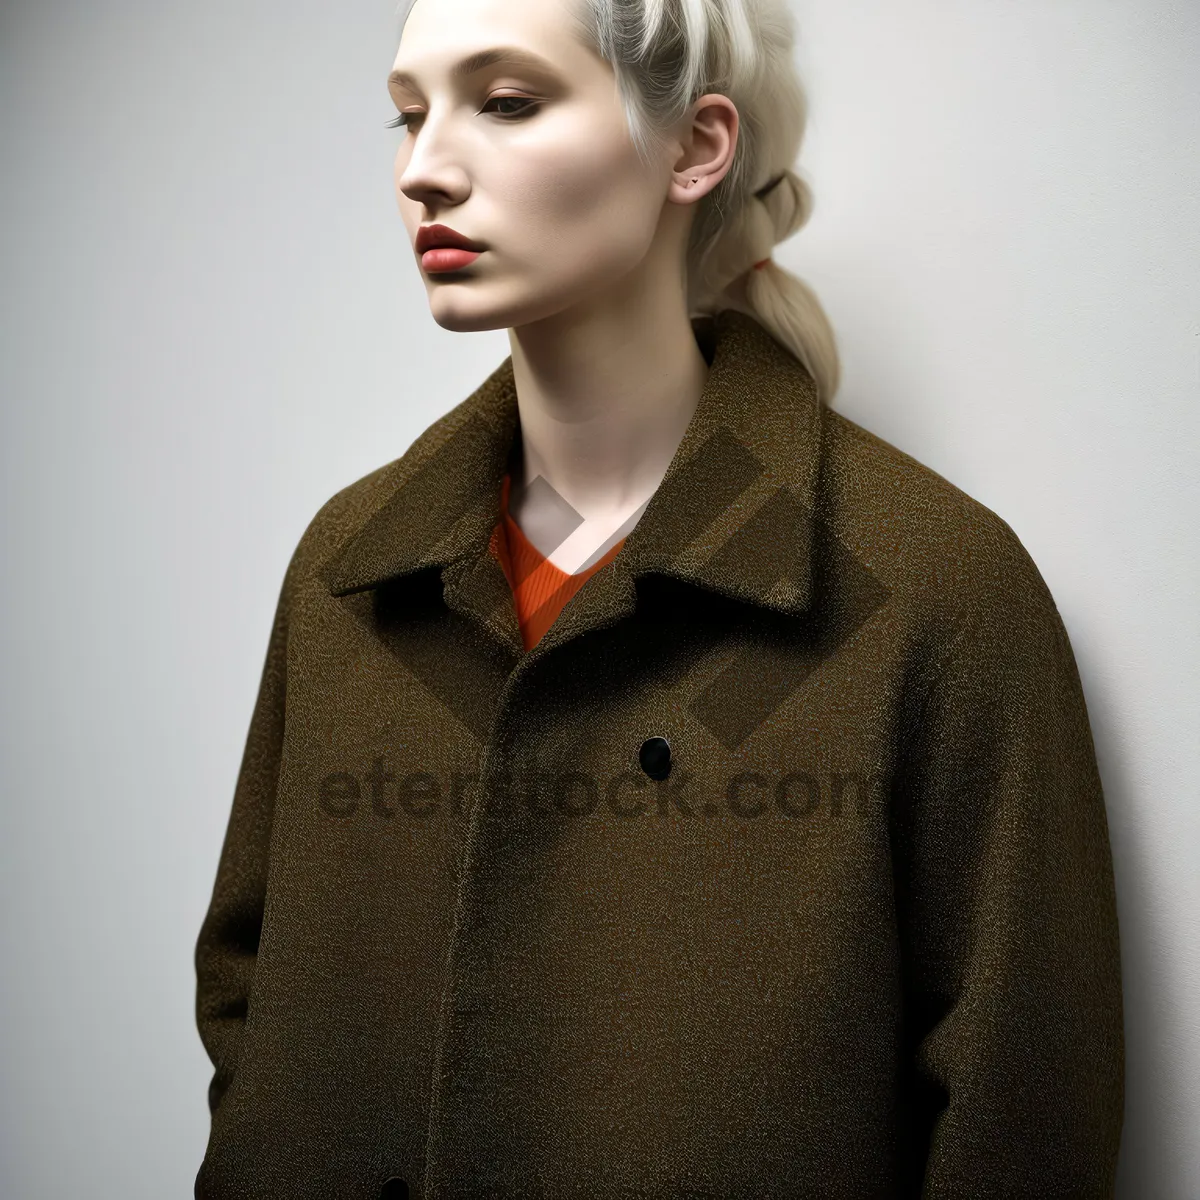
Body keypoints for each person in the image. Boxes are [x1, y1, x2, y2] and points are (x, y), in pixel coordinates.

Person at [192, 0, 1124, 1193]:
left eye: (508, 102)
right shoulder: (351, 567)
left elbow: (1022, 1110)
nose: (423, 170)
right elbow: (249, 988)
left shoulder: (933, 594)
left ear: (695, 147)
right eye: (408, 114)